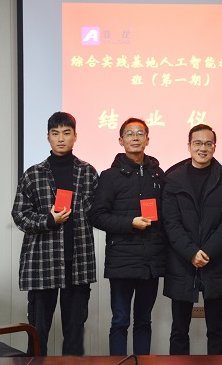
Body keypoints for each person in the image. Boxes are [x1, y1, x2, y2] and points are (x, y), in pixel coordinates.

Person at [12, 111, 98, 356]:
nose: (61, 138)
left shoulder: (88, 172)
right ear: (48, 137)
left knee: (75, 332)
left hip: (78, 264)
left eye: (66, 133)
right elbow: (19, 215)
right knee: (38, 331)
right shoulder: (33, 174)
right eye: (55, 133)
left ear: (75, 136)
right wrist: (48, 220)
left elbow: (98, 212)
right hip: (43, 263)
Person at [89, 117, 166, 356]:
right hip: (121, 260)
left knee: (144, 321)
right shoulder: (109, 176)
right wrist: (130, 223)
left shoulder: (158, 175)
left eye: (140, 133)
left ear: (147, 140)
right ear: (121, 140)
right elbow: (97, 216)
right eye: (129, 133)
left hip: (151, 261)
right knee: (120, 321)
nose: (135, 138)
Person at [161, 124, 222, 355]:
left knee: (216, 329)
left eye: (208, 143)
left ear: (214, 147)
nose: (202, 148)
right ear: (189, 146)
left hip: (215, 261)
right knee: (179, 330)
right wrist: (191, 252)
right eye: (197, 143)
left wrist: (207, 252)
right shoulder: (173, 180)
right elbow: (170, 222)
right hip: (182, 262)